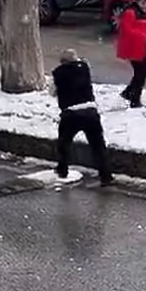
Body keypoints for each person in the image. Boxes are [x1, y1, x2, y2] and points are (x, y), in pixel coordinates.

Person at [51, 49, 114, 187]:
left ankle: (62, 169)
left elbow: (52, 92)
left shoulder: (58, 73)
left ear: (63, 62)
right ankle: (106, 175)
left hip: (71, 113)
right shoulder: (85, 69)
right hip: (90, 111)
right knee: (98, 146)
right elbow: (84, 65)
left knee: (64, 143)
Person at [116, 0, 146, 109]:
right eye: (143, 3)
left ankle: (130, 94)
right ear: (138, 2)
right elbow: (127, 30)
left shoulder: (141, 13)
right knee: (142, 71)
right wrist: (144, 37)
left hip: (140, 48)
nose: (145, 6)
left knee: (143, 71)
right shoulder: (130, 12)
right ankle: (134, 98)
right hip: (133, 48)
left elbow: (144, 28)